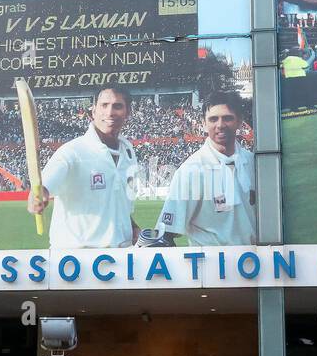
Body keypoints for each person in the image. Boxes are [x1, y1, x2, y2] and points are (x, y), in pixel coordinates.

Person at [28, 86, 140, 248]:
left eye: (117, 106)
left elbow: (120, 204)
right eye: (104, 105)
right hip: (76, 261)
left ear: (128, 112)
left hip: (121, 258)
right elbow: (44, 186)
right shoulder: (72, 152)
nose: (109, 112)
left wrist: (134, 228)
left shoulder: (128, 151)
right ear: (93, 111)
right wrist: (38, 196)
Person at [150, 92, 255, 245]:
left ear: (239, 121)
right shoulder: (190, 170)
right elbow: (166, 234)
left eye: (227, 118)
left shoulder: (253, 162)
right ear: (204, 124)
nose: (220, 125)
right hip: (211, 265)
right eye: (213, 119)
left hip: (254, 263)